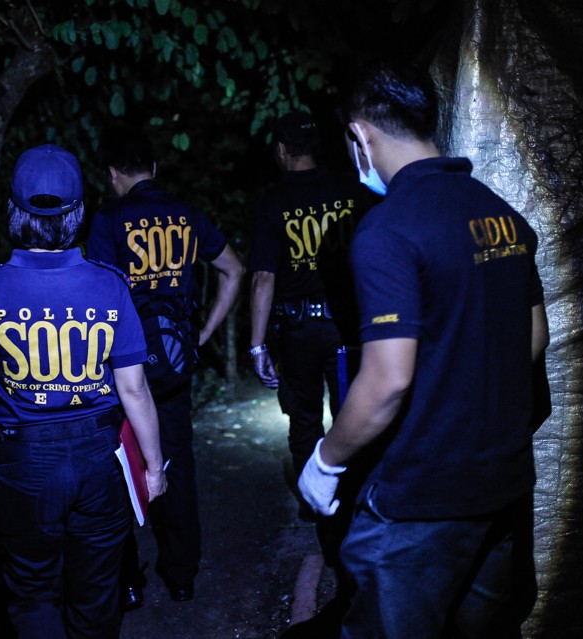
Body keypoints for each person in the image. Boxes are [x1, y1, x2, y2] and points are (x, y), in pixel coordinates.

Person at [298, 62, 549, 638]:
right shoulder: (500, 214)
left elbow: (387, 381)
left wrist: (327, 460)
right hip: (503, 484)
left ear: (360, 136)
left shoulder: (388, 230)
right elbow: (534, 339)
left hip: (420, 500)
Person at [0, 143, 168, 639]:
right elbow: (134, 390)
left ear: (14, 211)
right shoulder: (109, 285)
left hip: (24, 466)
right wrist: (154, 467)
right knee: (96, 594)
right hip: (97, 461)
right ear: (78, 213)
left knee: (33, 592)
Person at [85, 126, 245, 604]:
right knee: (177, 463)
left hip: (123, 369)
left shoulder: (108, 219)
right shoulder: (185, 214)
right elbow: (233, 270)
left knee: (118, 468)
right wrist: (204, 332)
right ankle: (181, 576)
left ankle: (128, 581)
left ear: (113, 174)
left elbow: (97, 295)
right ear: (153, 169)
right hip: (176, 363)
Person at [247, 111, 373, 638]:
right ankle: (355, 499)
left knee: (302, 420)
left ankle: (314, 503)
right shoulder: (352, 190)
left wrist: (256, 345)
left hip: (298, 331)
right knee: (355, 414)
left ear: (280, 150)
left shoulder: (274, 200)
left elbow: (262, 277)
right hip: (346, 325)